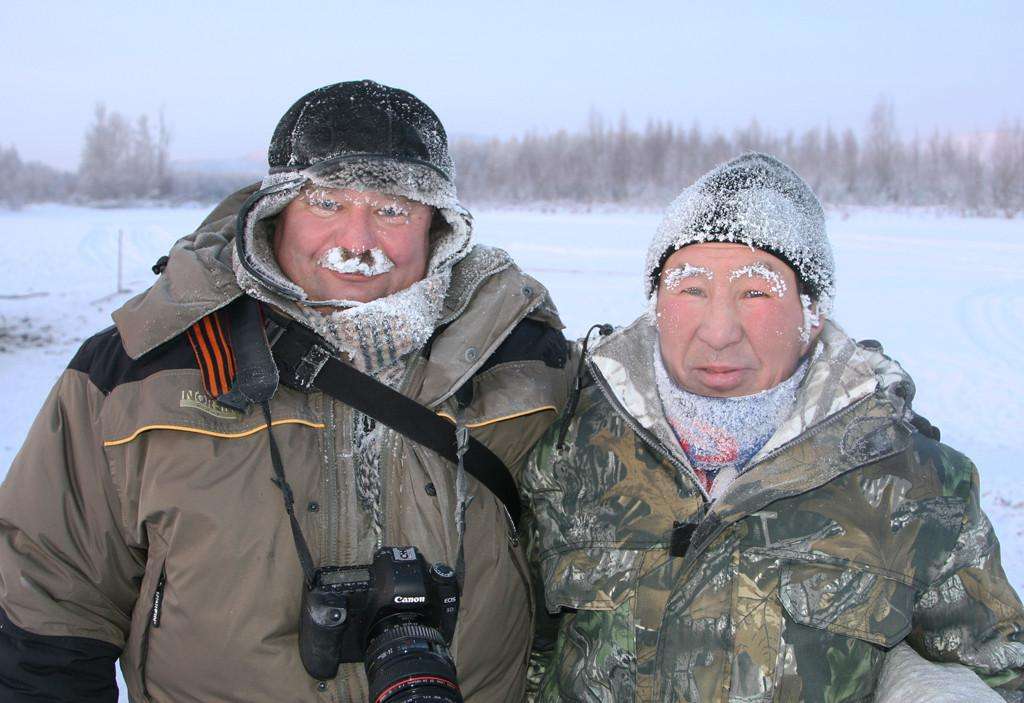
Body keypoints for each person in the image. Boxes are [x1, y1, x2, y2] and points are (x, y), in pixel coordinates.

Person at [0, 80, 572, 702]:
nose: (358, 243)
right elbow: (49, 603)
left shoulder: (523, 361)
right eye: (326, 203)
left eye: (393, 210)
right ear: (275, 212)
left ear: (439, 226)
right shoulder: (138, 371)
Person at [523, 153, 1024, 701]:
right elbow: (519, 651)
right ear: (657, 304)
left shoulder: (915, 481)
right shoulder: (568, 446)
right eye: (690, 289)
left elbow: (1000, 670)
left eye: (755, 292)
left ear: (811, 315)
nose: (718, 331)